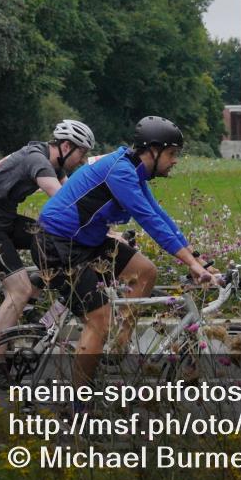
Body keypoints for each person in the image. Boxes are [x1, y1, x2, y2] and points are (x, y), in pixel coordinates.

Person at [33, 116, 217, 391]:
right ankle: (79, 407)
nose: (175, 160)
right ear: (152, 151)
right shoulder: (119, 172)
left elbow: (159, 214)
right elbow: (148, 221)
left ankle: (118, 345)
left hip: (87, 240)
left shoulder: (135, 171)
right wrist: (190, 263)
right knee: (99, 320)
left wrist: (199, 259)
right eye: (171, 153)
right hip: (57, 242)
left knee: (145, 272)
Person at [0, 120, 95, 377]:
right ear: (66, 146)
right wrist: (96, 228)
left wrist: (102, 227)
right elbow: (65, 202)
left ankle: (32, 296)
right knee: (18, 289)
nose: (82, 160)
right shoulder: (38, 161)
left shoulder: (51, 162)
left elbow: (74, 196)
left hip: (0, 220)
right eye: (82, 153)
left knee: (46, 239)